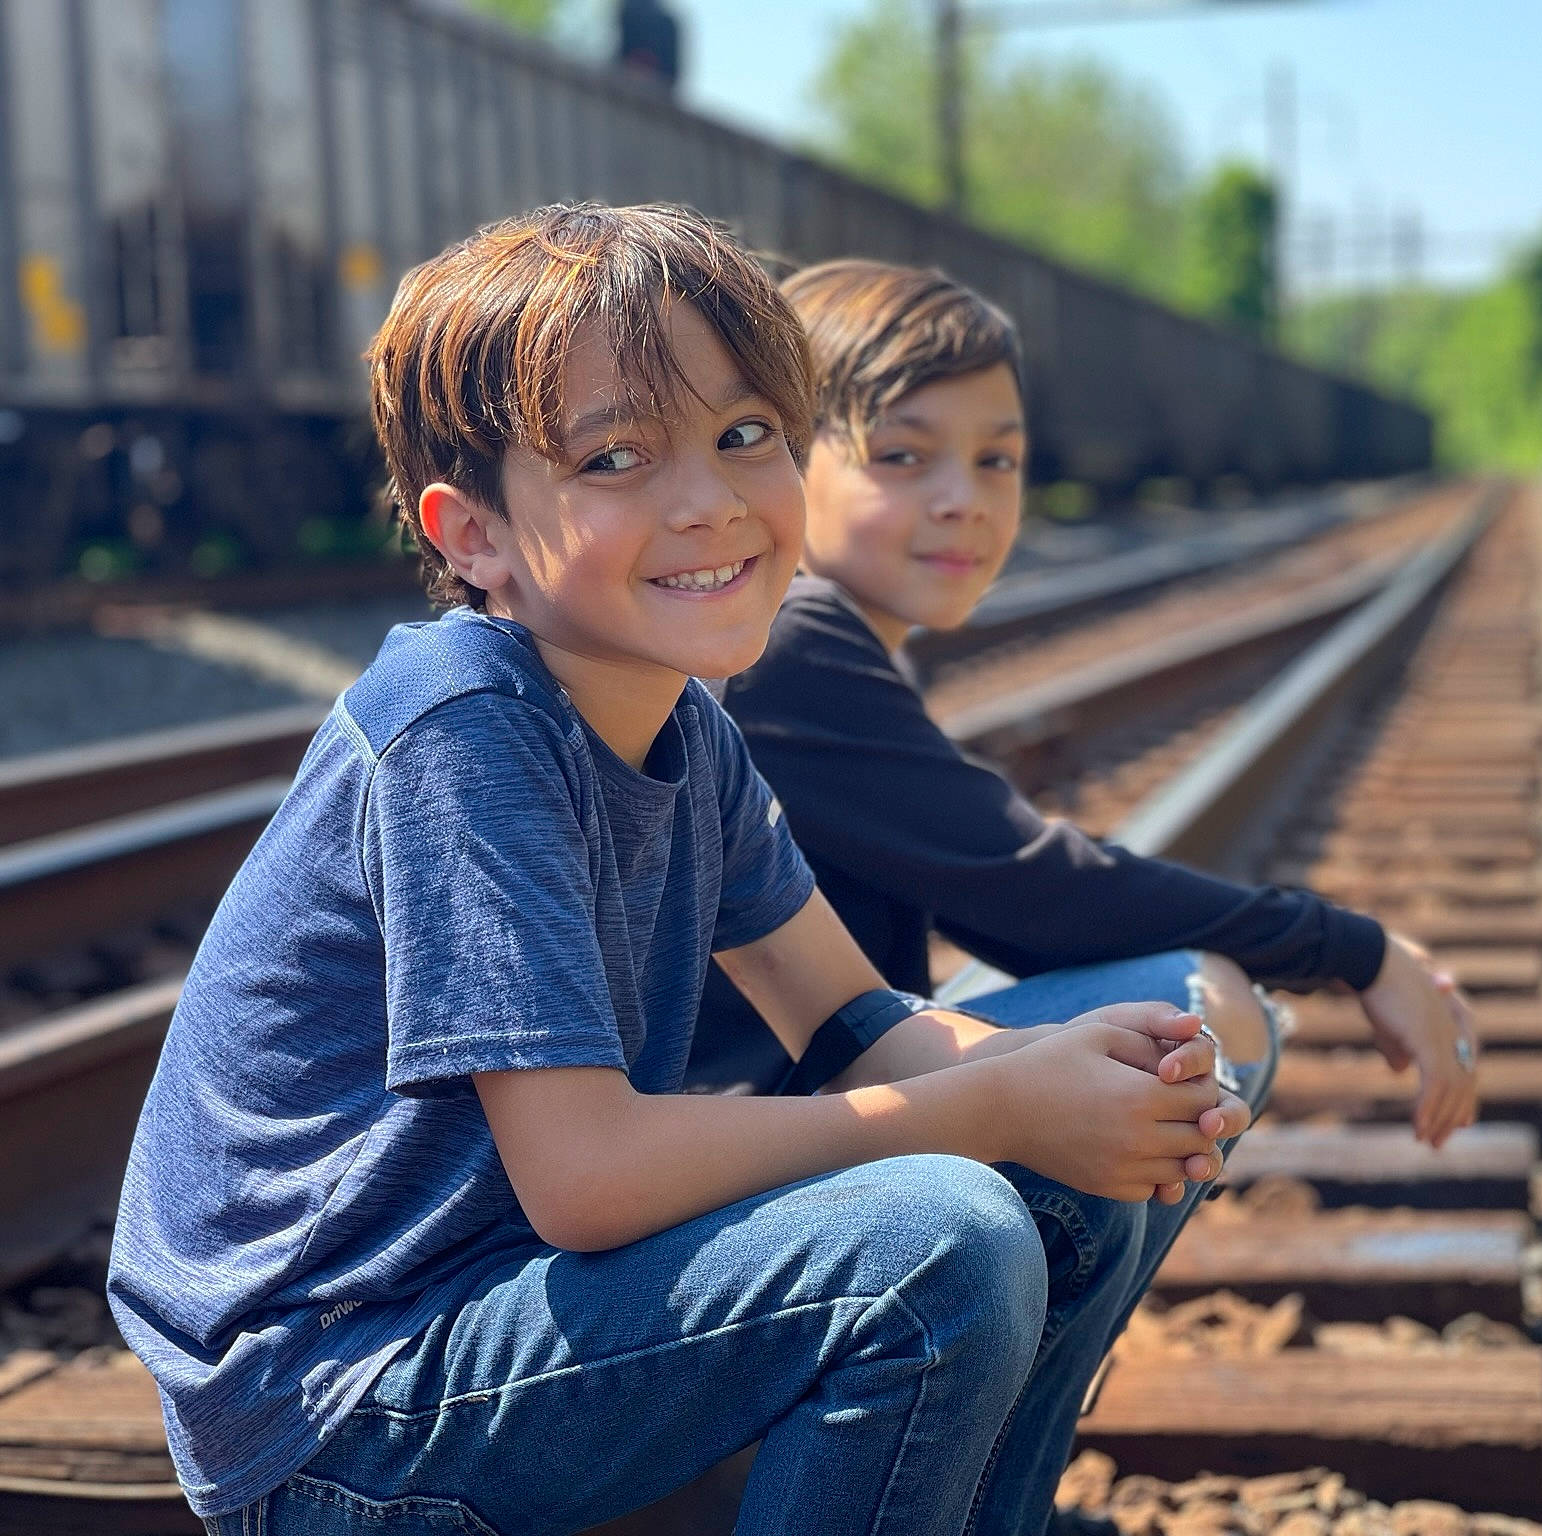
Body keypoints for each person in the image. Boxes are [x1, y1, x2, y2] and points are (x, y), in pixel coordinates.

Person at [105, 204, 1250, 1536]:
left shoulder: (684, 723)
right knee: (943, 1242)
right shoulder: (464, 728)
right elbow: (590, 1179)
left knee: (1073, 1185)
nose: (705, 498)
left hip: (503, 1310)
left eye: (743, 435)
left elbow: (857, 1025)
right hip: (341, 1402)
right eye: (617, 457)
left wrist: (1071, 1077)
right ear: (472, 536)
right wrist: (994, 1112)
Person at [691, 258, 1480, 1156]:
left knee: (1157, 1025)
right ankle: (1005, 1301)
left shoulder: (812, 637)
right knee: (1195, 1004)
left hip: (808, 1109)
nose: (964, 501)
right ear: (788, 462)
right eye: (903, 455)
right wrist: (1350, 950)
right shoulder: (790, 641)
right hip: (767, 1143)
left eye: (999, 460)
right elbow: (1035, 889)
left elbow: (1005, 898)